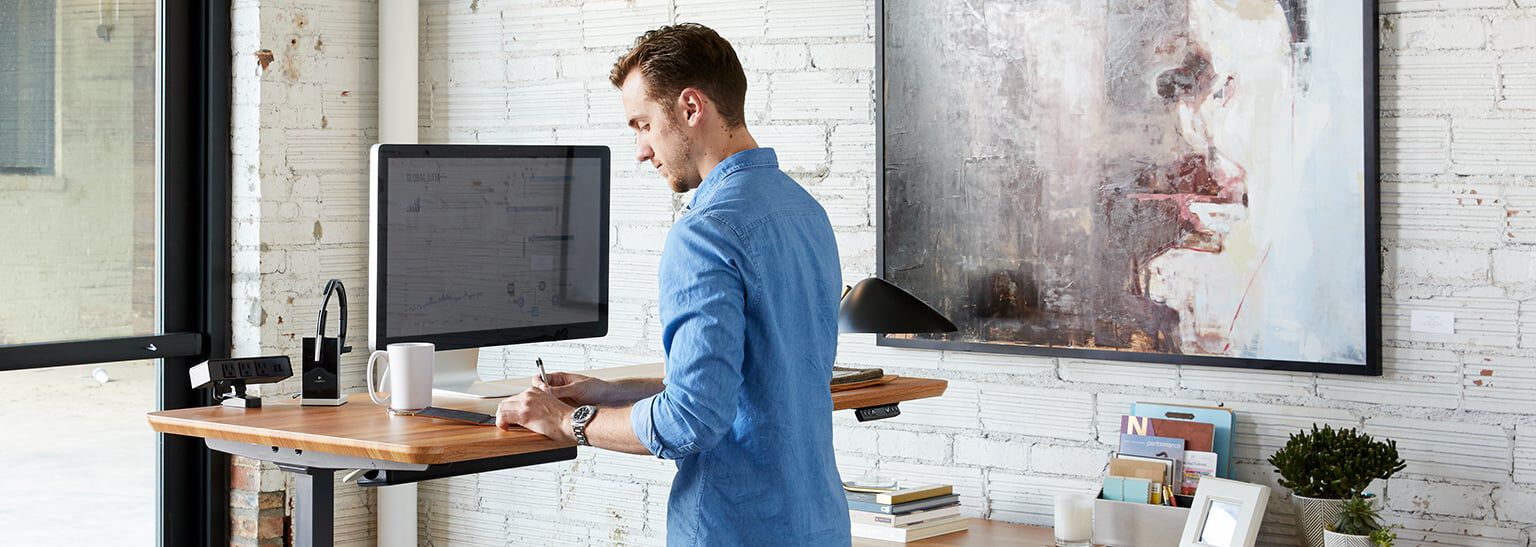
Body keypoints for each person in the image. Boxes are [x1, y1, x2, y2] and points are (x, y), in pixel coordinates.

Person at [491, 23, 851, 545]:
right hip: (817, 524)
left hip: (734, 528)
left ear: (689, 107)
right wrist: (603, 391)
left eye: (643, 124)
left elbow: (691, 420)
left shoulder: (704, 234)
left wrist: (566, 421)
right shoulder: (804, 211)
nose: (640, 149)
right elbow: (749, 384)